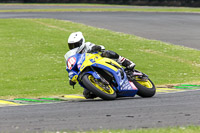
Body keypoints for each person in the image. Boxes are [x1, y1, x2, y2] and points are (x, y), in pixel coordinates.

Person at [64, 31, 135, 99]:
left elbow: (101, 48)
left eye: (75, 45)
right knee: (87, 95)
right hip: (86, 70)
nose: (73, 47)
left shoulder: (87, 45)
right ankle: (106, 89)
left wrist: (97, 47)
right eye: (71, 45)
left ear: (81, 42)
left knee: (108, 53)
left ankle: (127, 63)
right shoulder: (72, 56)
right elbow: (71, 67)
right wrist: (71, 79)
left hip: (97, 61)